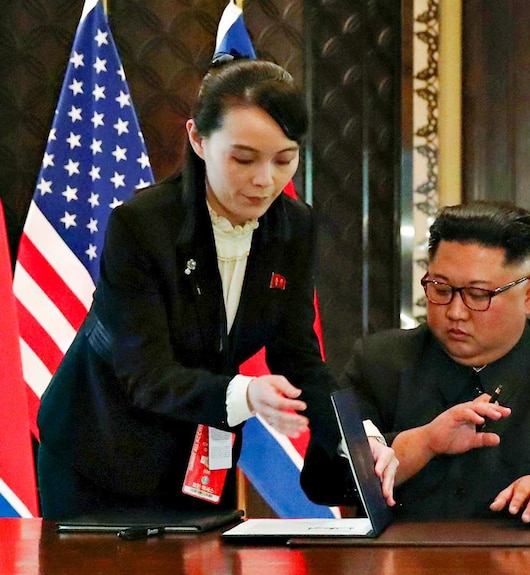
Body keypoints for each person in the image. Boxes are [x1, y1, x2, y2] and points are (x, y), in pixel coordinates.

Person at [36, 57, 396, 519]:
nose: (265, 180)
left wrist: (358, 439)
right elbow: (144, 374)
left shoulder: (294, 227)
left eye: (285, 159)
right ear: (198, 140)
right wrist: (247, 394)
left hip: (204, 459)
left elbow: (299, 357)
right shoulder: (143, 225)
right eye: (243, 158)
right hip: (102, 451)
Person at [302, 201, 530, 527]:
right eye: (441, 288)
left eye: (477, 294)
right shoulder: (379, 361)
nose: (455, 311)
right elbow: (322, 480)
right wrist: (423, 443)